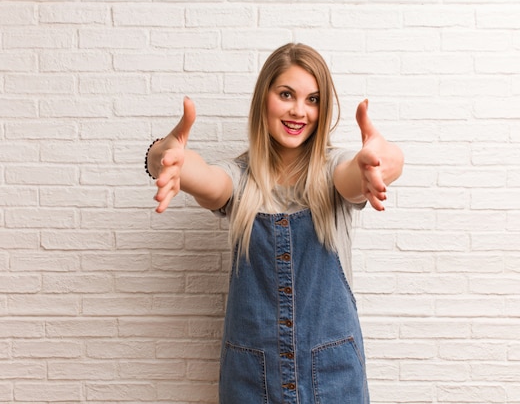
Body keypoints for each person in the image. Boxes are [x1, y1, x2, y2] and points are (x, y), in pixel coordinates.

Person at [145, 43, 404, 404]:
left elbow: (364, 171)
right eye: (287, 94)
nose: (300, 111)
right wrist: (164, 157)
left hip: (333, 378)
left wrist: (381, 161)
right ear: (263, 99)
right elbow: (206, 179)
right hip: (251, 380)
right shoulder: (239, 178)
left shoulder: (336, 171)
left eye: (313, 99)